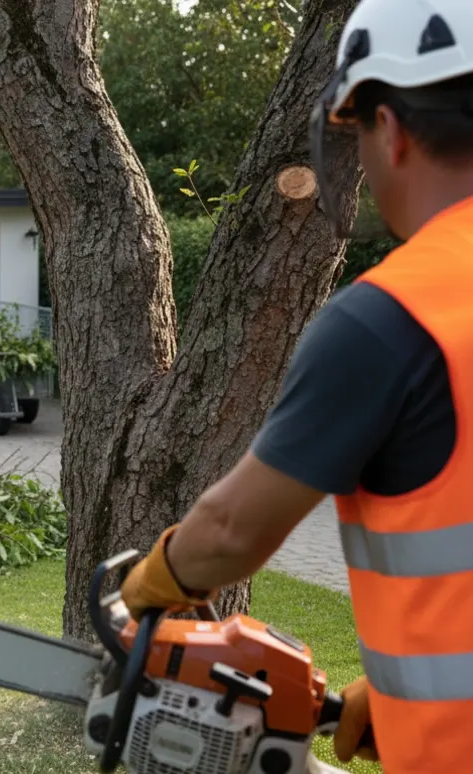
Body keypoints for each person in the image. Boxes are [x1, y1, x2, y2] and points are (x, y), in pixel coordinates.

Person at [117, 2, 473, 772]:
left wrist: (155, 584)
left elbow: (234, 533)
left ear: (390, 129)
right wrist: (417, 691)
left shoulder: (392, 320)